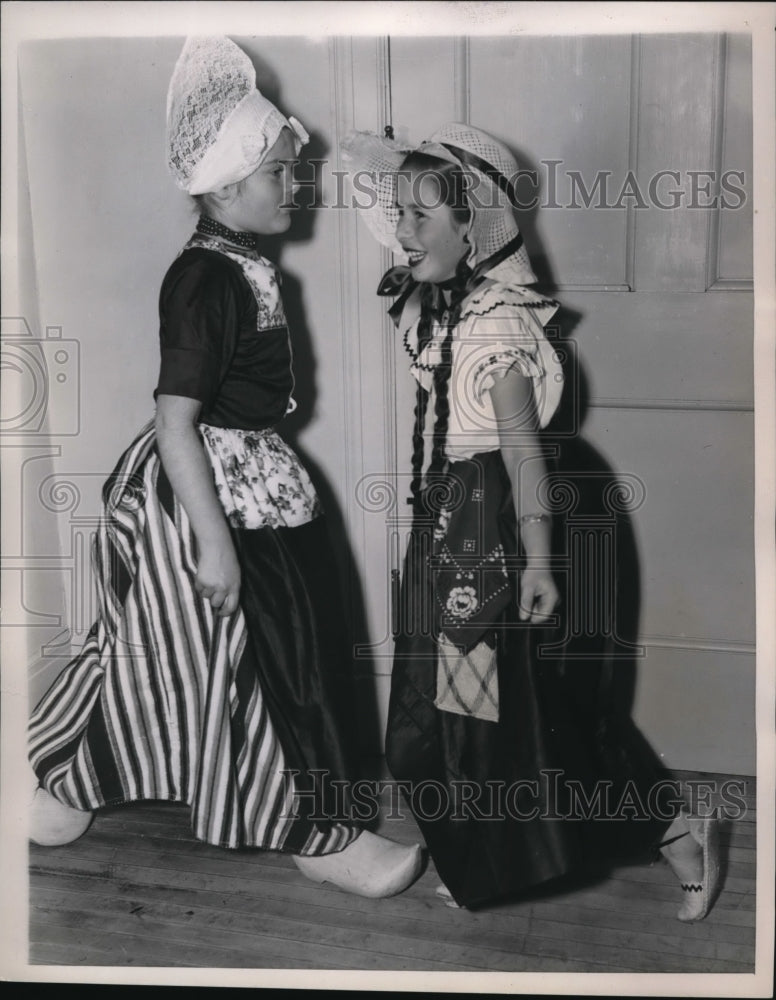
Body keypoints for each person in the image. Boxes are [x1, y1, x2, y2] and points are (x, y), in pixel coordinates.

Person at [27, 36, 422, 900]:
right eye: (281, 171)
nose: (296, 184)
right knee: (189, 650)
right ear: (228, 184)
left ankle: (315, 817)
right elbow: (177, 421)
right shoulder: (205, 278)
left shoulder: (243, 263)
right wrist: (212, 541)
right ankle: (65, 781)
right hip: (204, 495)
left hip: (256, 477)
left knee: (279, 650)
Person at [340, 123, 720, 918]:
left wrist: (540, 565)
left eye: (420, 216)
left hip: (493, 536)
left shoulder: (496, 327)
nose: (401, 231)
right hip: (450, 533)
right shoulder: (436, 311)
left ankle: (674, 825)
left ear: (470, 229)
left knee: (511, 713)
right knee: (454, 707)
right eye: (398, 213)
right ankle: (482, 852)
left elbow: (522, 458)